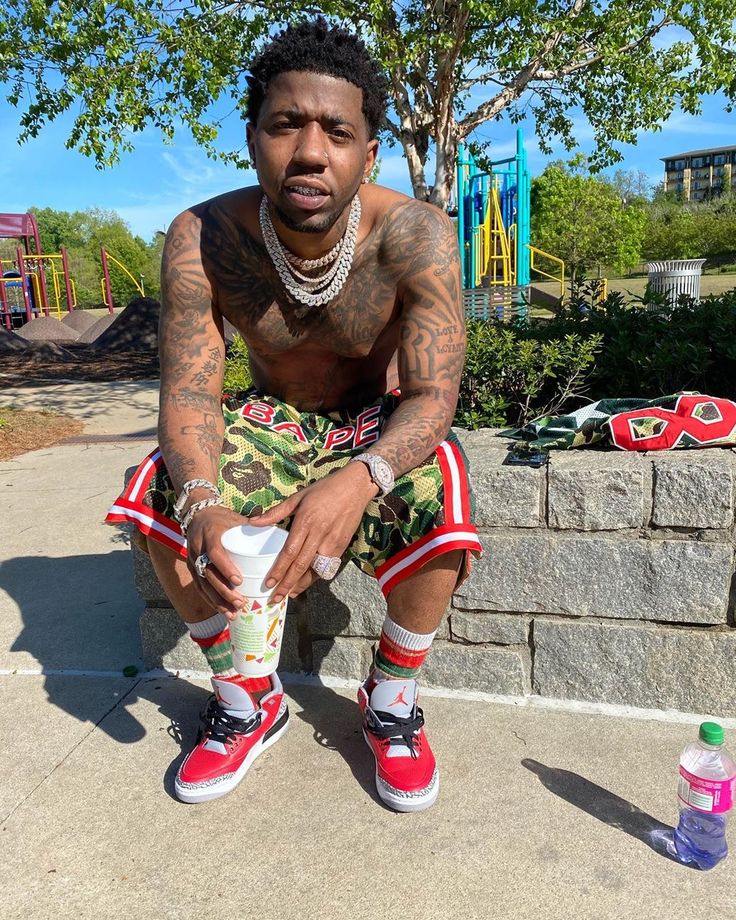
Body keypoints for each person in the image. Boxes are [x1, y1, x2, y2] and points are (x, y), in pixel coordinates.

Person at [107, 17, 481, 811]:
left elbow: (434, 397)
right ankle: (248, 699)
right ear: (253, 138)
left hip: (372, 423)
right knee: (154, 495)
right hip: (271, 416)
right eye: (286, 124)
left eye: (337, 131)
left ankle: (390, 701)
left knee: (443, 492)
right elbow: (188, 396)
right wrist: (203, 500)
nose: (311, 150)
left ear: (368, 152)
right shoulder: (204, 236)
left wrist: (360, 480)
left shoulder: (413, 233)